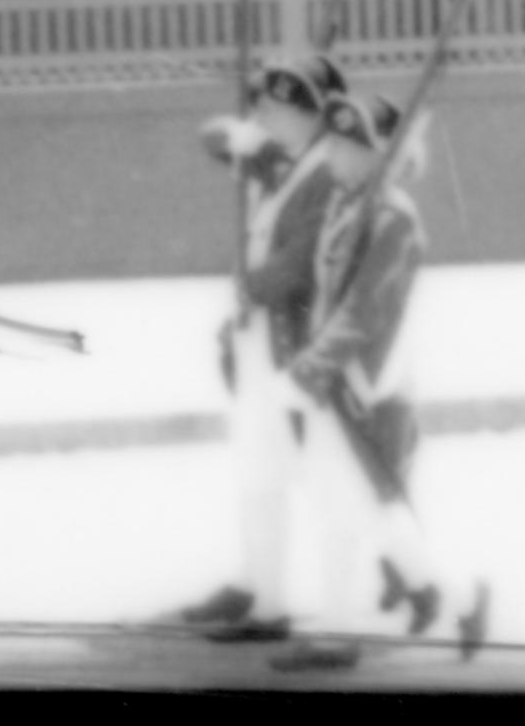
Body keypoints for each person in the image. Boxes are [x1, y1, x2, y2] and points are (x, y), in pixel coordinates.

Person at [272, 94, 490, 673]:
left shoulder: (394, 220)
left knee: (370, 507)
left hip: (366, 387)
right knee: (339, 508)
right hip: (332, 383)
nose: (335, 155)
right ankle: (339, 631)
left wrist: (314, 365)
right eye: (335, 144)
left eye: (348, 147)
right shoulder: (348, 207)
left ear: (377, 157)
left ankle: (460, 596)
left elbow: (364, 311)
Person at [176, 55, 345, 645]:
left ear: (309, 114)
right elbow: (215, 140)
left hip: (290, 339)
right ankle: (255, 584)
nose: (263, 116)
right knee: (254, 467)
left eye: (275, 109)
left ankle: (274, 606)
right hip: (256, 335)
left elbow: (298, 264)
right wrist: (240, 138)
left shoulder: (325, 173)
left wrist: (250, 287)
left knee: (283, 470)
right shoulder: (282, 160)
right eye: (262, 109)